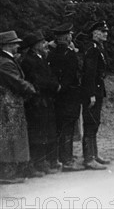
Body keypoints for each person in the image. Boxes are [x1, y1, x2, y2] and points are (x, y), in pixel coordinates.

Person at [19, 30, 62, 176]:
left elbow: (49, 75)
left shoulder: (41, 58)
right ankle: (38, 163)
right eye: (42, 42)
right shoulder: (28, 61)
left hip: (45, 100)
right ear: (34, 45)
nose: (45, 45)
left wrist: (55, 84)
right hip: (37, 101)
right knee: (38, 132)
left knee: (46, 131)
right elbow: (37, 80)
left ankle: (44, 162)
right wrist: (54, 86)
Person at [47, 23, 84, 171]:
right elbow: (72, 76)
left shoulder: (51, 54)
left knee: (59, 128)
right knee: (68, 128)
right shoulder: (70, 55)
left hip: (57, 96)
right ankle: (67, 160)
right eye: (70, 35)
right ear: (67, 37)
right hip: (70, 96)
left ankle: (59, 158)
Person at [0, 31, 36, 184]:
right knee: (10, 138)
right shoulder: (5, 62)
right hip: (8, 104)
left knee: (11, 137)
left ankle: (11, 171)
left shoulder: (6, 60)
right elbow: (16, 81)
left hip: (9, 103)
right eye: (15, 43)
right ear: (8, 45)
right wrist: (30, 89)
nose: (18, 46)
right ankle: (8, 173)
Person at [81, 21, 111, 170]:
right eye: (102, 31)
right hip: (92, 92)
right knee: (90, 124)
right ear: (94, 33)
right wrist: (91, 94)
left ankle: (94, 154)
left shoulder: (98, 48)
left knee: (95, 123)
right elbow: (89, 74)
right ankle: (88, 158)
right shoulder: (92, 49)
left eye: (106, 31)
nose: (105, 33)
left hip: (97, 90)